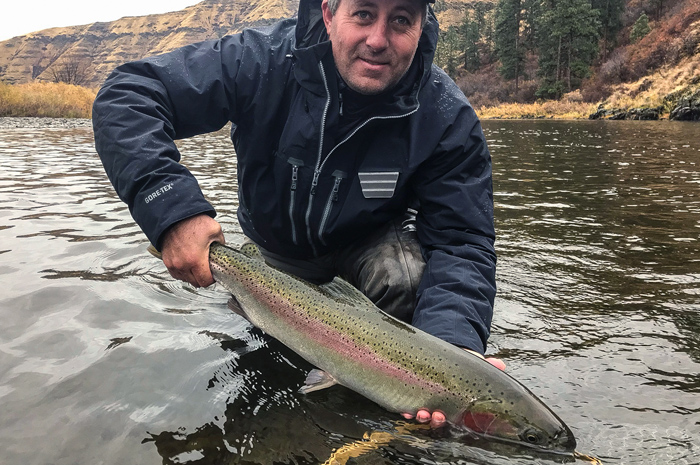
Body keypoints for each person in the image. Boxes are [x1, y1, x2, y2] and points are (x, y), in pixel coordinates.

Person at [92, 0, 502, 427]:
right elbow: (127, 96)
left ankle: (376, 420)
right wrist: (172, 211)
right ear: (328, 13)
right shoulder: (261, 60)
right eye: (363, 13)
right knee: (263, 356)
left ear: (421, 27)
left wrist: (454, 356)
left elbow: (462, 241)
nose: (378, 40)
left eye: (401, 20)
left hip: (368, 255)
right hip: (275, 255)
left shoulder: (446, 116)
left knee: (410, 284)